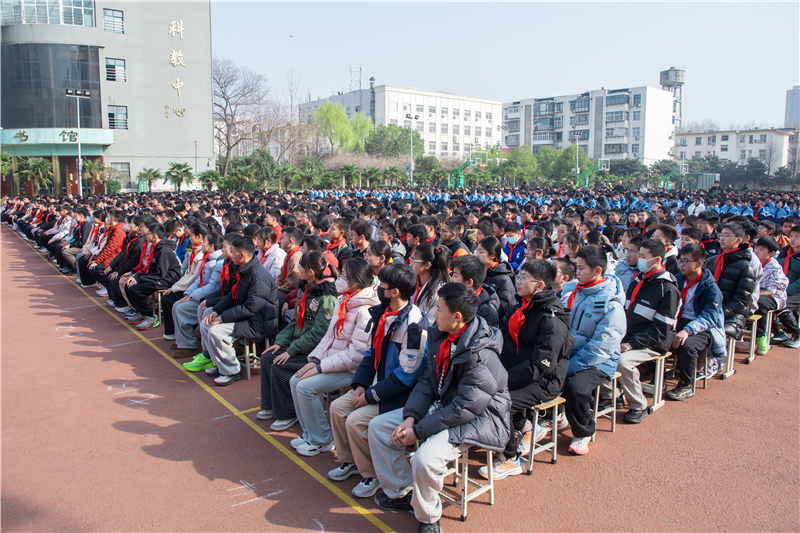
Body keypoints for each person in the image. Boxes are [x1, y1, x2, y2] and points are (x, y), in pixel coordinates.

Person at [368, 283, 510, 533]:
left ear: (457, 317)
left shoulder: (481, 354)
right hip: (446, 405)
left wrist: (418, 431)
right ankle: (403, 491)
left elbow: (465, 408)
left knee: (424, 459)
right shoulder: (440, 334)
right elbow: (427, 381)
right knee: (379, 427)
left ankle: (429, 518)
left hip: (478, 418)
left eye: (440, 309)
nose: (434, 314)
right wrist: (411, 417)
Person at [327, 263, 427, 498]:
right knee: (337, 408)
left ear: (395, 292)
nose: (377, 288)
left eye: (381, 285)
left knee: (356, 421)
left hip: (400, 395)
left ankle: (372, 474)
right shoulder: (383, 313)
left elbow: (406, 376)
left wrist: (370, 396)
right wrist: (360, 385)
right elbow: (371, 353)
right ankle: (350, 461)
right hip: (376, 385)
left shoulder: (413, 325)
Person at [480, 259, 573, 479]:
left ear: (540, 285)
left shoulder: (551, 319)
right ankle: (526, 427)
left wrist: (504, 379)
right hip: (517, 374)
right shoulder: (519, 308)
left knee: (498, 403)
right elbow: (504, 345)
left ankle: (511, 459)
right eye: (519, 276)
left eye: (523, 278)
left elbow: (541, 365)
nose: (518, 281)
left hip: (544, 381)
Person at [289, 258, 380, 458]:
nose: (338, 278)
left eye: (343, 275)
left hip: (352, 370)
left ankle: (322, 439)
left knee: (305, 387)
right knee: (295, 380)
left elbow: (356, 355)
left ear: (354, 282)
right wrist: (315, 360)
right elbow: (328, 338)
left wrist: (320, 367)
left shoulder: (365, 311)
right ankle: (309, 433)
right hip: (333, 362)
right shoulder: (344, 300)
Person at [260, 251, 339, 430]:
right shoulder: (307, 290)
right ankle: (271, 405)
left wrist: (291, 350)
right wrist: (280, 342)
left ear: (310, 272)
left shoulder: (326, 297)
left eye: (300, 266)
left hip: (315, 352)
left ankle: (288, 413)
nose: (297, 269)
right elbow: (295, 322)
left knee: (279, 365)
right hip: (300, 345)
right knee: (267, 358)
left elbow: (319, 334)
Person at [561, 245, 626, 455]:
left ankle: (583, 430)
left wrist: (569, 367)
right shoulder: (575, 290)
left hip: (600, 361)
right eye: (576, 267)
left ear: (597, 270)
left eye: (581, 268)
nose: (577, 272)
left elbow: (601, 348)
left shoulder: (611, 305)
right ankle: (555, 416)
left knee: (576, 387)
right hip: (572, 352)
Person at [200, 236, 279, 386]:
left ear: (242, 255)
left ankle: (232, 371)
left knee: (216, 331)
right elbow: (232, 296)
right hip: (247, 318)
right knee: (207, 323)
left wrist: (223, 318)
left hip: (258, 323)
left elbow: (251, 307)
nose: (231, 254)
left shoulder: (258, 276)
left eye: (233, 251)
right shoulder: (245, 270)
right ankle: (220, 364)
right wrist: (217, 311)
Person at [617, 239, 679, 424]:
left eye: (643, 256)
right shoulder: (638, 280)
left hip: (653, 342)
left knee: (623, 362)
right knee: (599, 350)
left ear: (657, 259)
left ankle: (638, 404)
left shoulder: (667, 288)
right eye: (640, 255)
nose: (639, 259)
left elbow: (661, 329)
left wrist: (631, 344)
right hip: (630, 336)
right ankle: (611, 395)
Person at [666, 244, 726, 402]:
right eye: (680, 260)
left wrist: (687, 330)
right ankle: (657, 378)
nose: (681, 264)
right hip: (678, 320)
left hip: (701, 326)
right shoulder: (678, 279)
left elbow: (710, 317)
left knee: (686, 345)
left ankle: (686, 384)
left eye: (686, 261)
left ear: (699, 263)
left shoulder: (710, 287)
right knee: (657, 335)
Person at [171, 231, 225, 362]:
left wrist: (192, 297)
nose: (202, 245)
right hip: (200, 295)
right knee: (176, 305)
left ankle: (189, 345)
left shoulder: (217, 262)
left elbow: (213, 286)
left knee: (181, 309)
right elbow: (198, 281)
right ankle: (183, 341)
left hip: (208, 297)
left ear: (211, 246)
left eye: (205, 242)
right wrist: (188, 293)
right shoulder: (207, 259)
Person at [121, 223, 182, 330]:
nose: (146, 236)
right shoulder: (157, 247)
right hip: (160, 277)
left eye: (148, 233)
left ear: (154, 236)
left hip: (168, 280)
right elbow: (151, 269)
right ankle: (142, 313)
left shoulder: (164, 250)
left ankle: (151, 317)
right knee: (130, 285)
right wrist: (137, 277)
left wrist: (140, 280)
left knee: (135, 289)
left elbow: (160, 274)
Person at [705, 223, 758, 341]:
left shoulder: (746, 267)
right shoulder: (712, 261)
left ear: (738, 240)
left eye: (727, 235)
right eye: (721, 235)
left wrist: (720, 313)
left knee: (708, 334)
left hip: (732, 315)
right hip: (709, 309)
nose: (722, 238)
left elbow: (741, 300)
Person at [160, 223, 207, 340]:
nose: (189, 238)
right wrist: (176, 285)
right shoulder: (193, 249)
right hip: (190, 286)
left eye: (191, 235)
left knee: (172, 300)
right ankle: (173, 332)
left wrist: (180, 289)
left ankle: (183, 334)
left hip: (195, 288)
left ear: (199, 236)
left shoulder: (202, 254)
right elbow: (188, 271)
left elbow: (194, 278)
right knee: (168, 296)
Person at [754, 236, 800, 350]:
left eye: (761, 249)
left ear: (771, 253)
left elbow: (770, 292)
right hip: (758, 294)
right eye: (757, 247)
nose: (757, 251)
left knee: (760, 304)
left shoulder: (774, 267)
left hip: (775, 296)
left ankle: (761, 337)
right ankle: (777, 331)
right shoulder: (752, 262)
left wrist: (754, 294)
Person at [450, 254, 500, 328]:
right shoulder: (452, 296)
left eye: (455, 276)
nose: (451, 279)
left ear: (469, 282)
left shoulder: (486, 312)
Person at [475, 236, 516, 322]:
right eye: (477, 251)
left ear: (492, 256)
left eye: (481, 252)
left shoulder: (504, 278)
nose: (477, 255)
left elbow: (503, 306)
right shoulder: (479, 271)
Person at [409, 243, 450, 323]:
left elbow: (431, 322)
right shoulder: (411, 280)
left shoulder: (438, 292)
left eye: (413, 261)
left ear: (427, 265)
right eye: (410, 259)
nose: (410, 264)